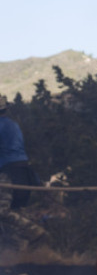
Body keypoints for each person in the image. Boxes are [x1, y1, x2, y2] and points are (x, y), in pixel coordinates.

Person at [0, 93, 49, 249]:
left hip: (7, 172)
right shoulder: (13, 125)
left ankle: (34, 232)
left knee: (2, 211)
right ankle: (19, 249)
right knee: (14, 210)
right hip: (22, 171)